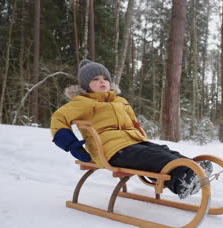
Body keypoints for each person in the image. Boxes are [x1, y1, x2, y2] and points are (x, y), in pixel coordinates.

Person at [50, 59, 212, 199]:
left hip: (134, 141)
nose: (102, 82)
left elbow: (133, 122)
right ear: (86, 85)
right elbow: (58, 120)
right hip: (110, 149)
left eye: (105, 78)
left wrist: (139, 133)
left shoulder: (120, 101)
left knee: (162, 150)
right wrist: (73, 146)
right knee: (151, 157)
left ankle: (193, 169)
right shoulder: (82, 103)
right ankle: (181, 182)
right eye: (95, 79)